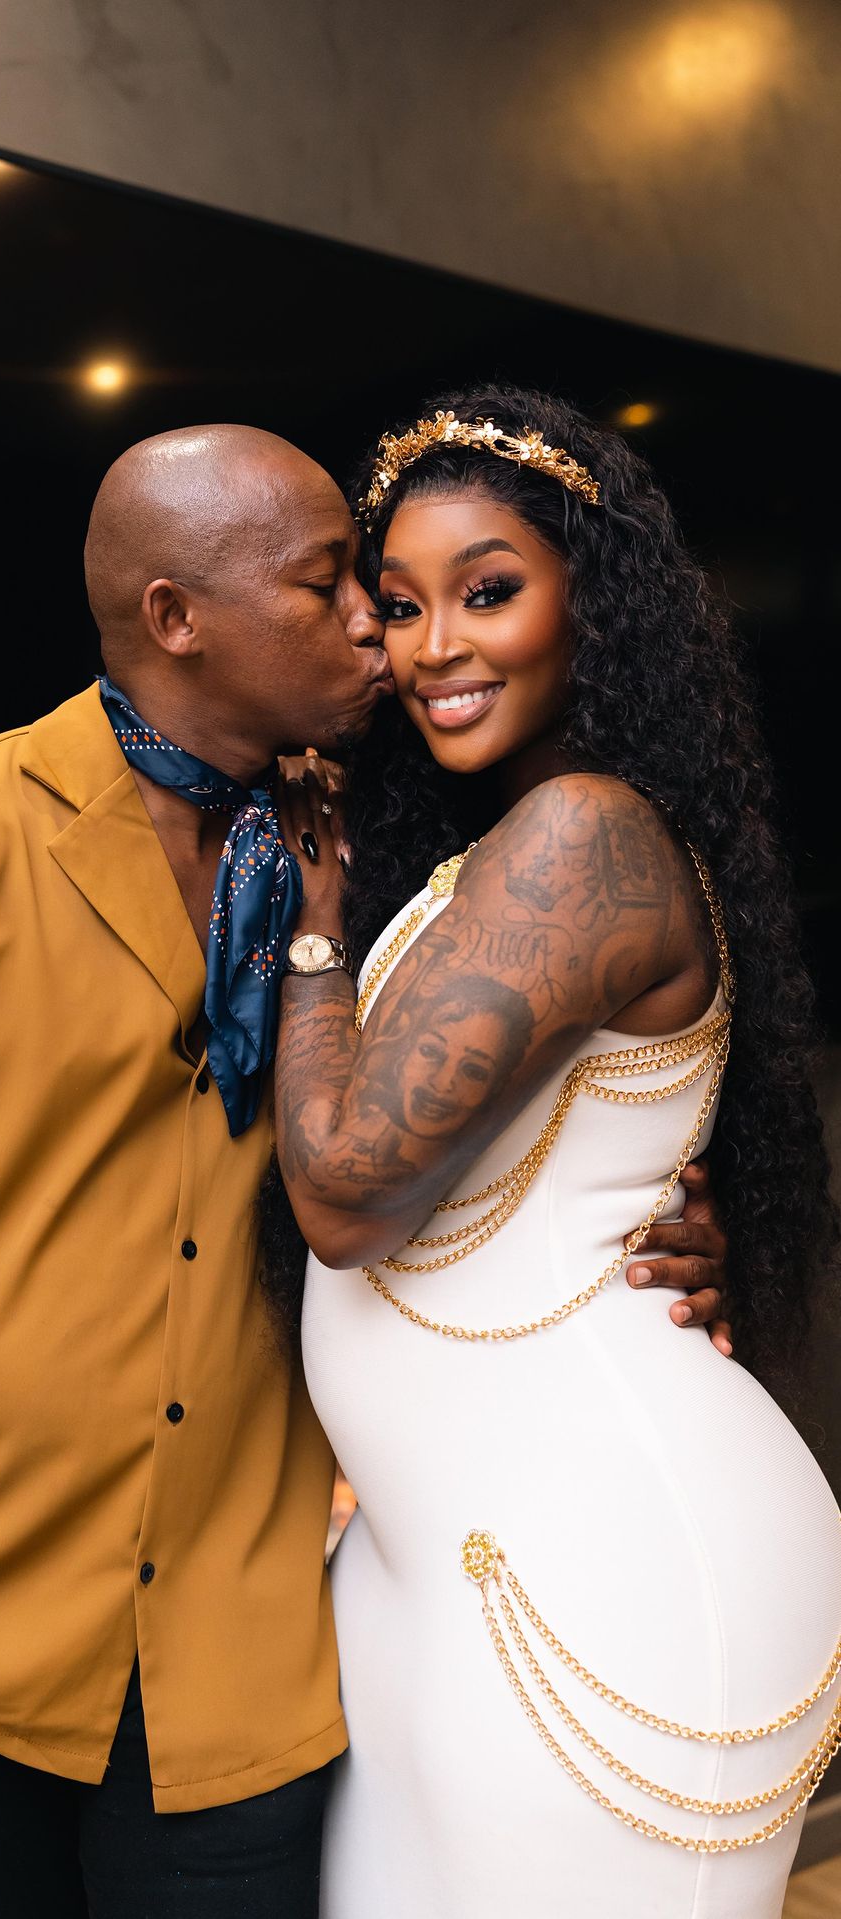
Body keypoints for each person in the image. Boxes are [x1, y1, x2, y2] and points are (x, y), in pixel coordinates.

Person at [0, 423, 730, 1919]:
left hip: (253, 1644)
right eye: (334, 586)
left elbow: (505, 1092)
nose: (375, 629)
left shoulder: (380, 848)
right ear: (177, 618)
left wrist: (633, 1212)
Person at [270, 385, 841, 1918]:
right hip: (429, 1559)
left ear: (593, 602)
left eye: (489, 591)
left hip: (611, 1556)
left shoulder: (584, 835)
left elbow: (343, 1190)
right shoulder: (493, 849)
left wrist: (311, 932)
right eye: (400, 606)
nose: (435, 646)